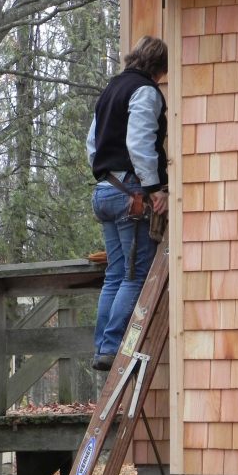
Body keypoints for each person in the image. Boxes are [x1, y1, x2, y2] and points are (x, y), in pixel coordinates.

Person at [86, 35, 168, 371]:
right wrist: (155, 188)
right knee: (135, 275)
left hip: (105, 191)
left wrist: (109, 174)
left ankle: (103, 347)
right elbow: (139, 143)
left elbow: (92, 144)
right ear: (158, 67)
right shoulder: (145, 91)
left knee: (116, 275)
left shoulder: (111, 90)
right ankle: (112, 348)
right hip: (130, 194)